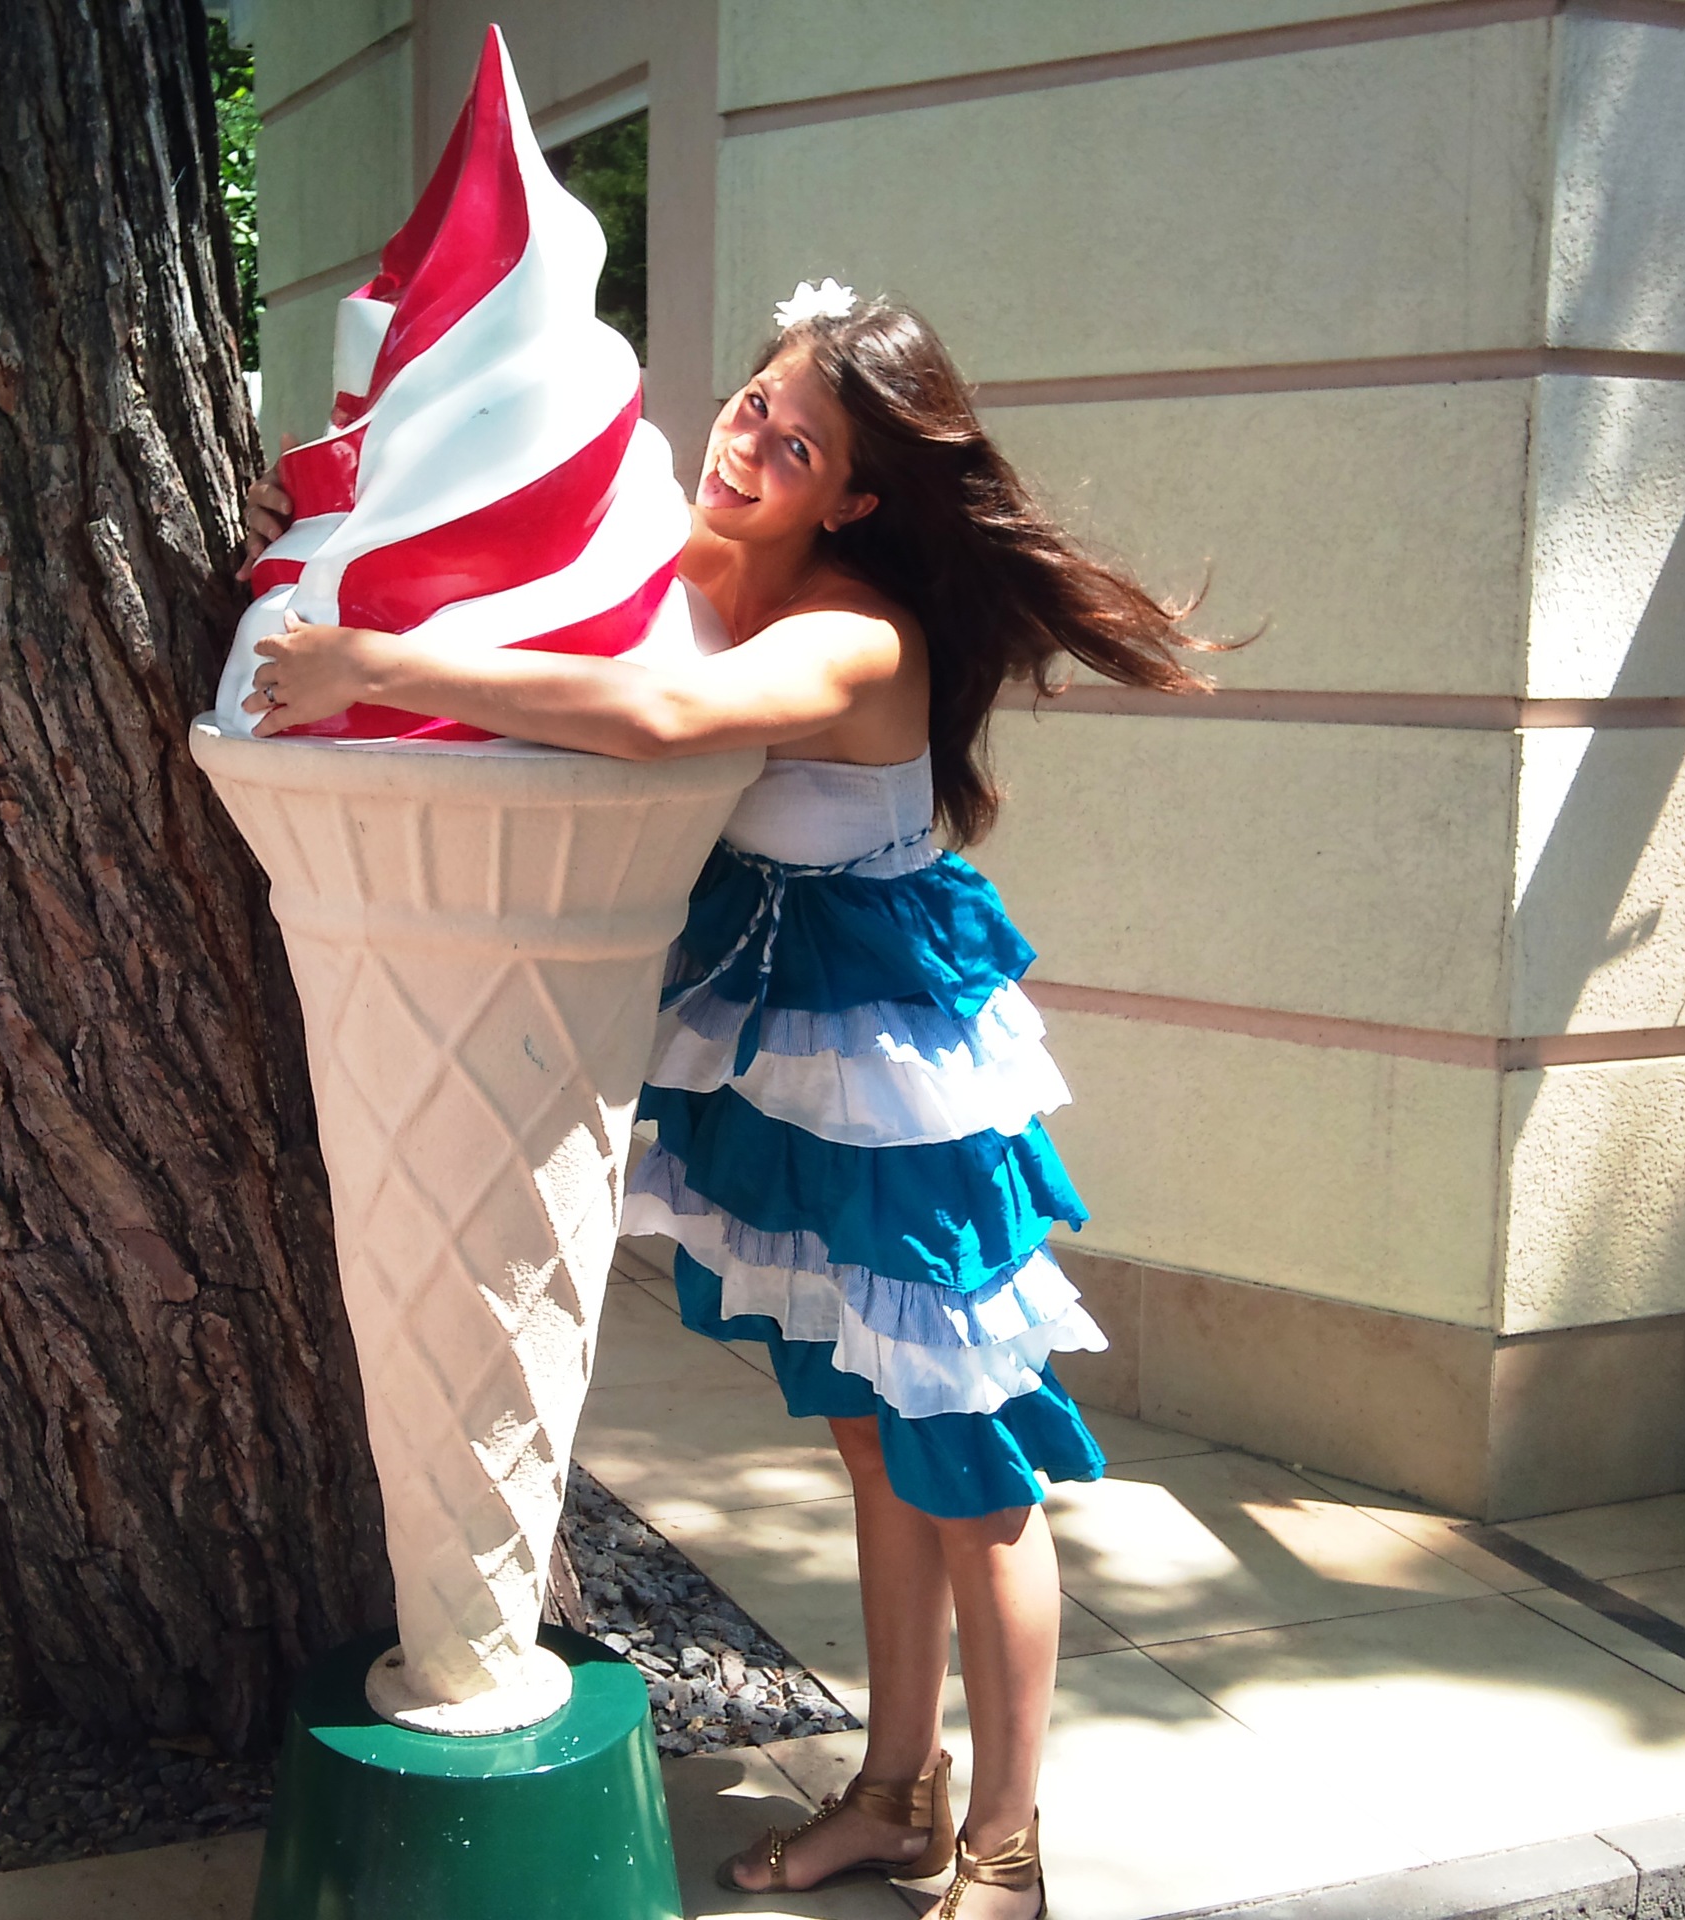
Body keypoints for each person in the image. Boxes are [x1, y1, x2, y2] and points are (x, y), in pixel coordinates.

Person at [239, 288, 1213, 1920]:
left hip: (901, 1084)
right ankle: (897, 1796)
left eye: (799, 444)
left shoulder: (853, 632)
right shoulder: (699, 566)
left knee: (972, 1471)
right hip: (791, 1063)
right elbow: (544, 585)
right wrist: (332, 549)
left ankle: (1009, 1850)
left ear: (858, 497)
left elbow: (661, 717)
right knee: (874, 1446)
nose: (749, 444)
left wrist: (371, 663)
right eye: (755, 404)